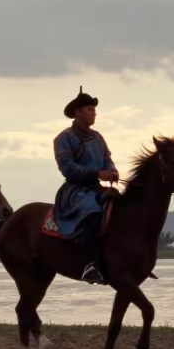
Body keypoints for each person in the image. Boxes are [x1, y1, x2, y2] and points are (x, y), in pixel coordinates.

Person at [53, 88, 118, 284]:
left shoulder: (98, 137)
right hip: (76, 191)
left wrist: (112, 171)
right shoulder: (64, 138)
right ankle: (89, 265)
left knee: (121, 207)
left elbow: (108, 160)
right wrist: (97, 173)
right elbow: (67, 168)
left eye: (94, 110)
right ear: (77, 112)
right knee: (93, 214)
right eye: (89, 109)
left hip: (97, 187)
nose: (94, 113)